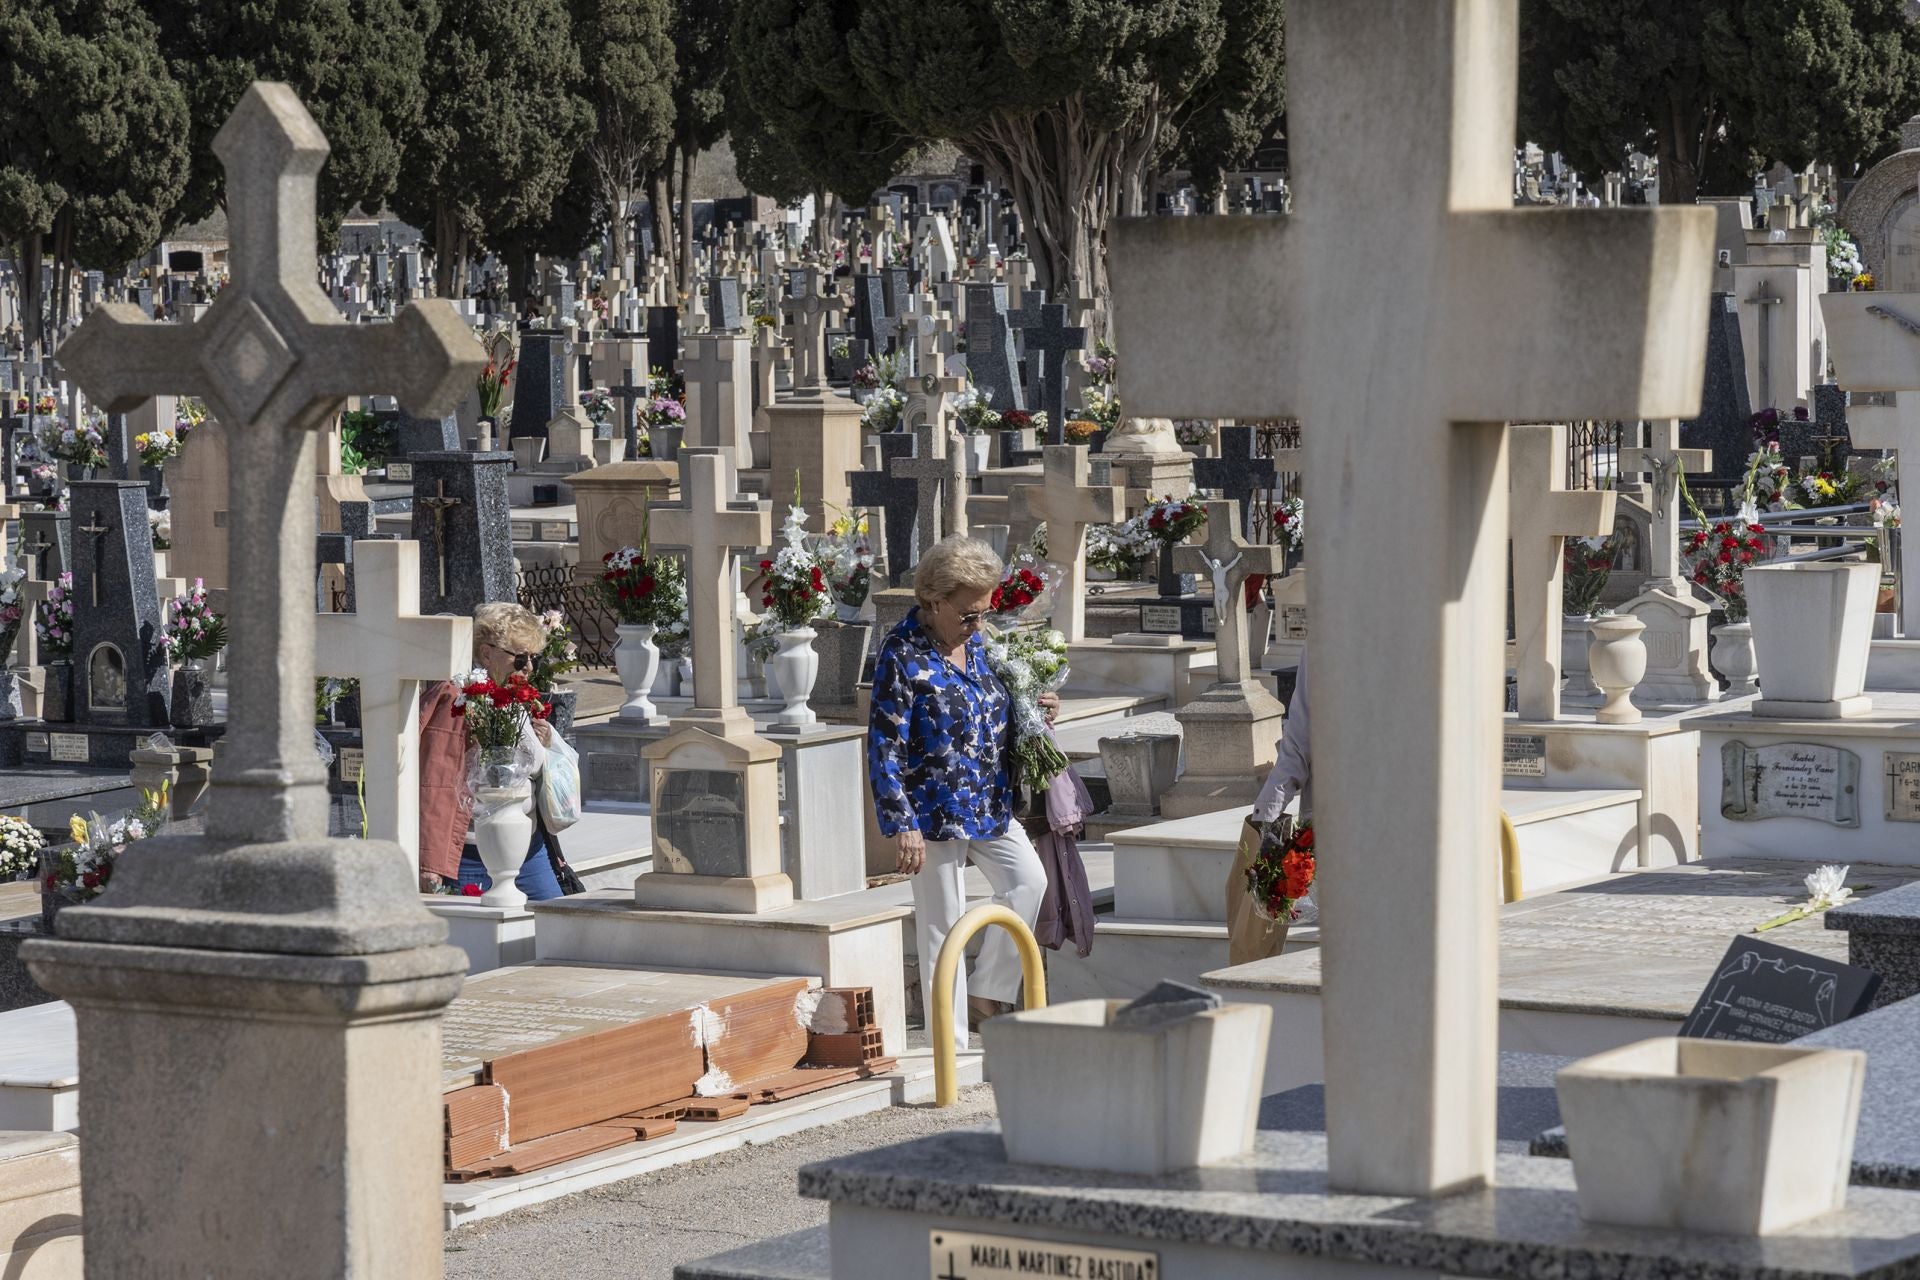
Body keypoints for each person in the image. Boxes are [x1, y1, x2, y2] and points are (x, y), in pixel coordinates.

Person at [868, 536, 1055, 1043]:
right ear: (934, 601)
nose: (978, 624)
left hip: (988, 799)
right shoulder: (901, 654)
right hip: (932, 808)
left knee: (1028, 882)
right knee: (942, 926)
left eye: (984, 613)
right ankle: (948, 1049)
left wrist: (1035, 711)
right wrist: (902, 821)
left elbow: (994, 710)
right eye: (969, 614)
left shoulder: (979, 645)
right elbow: (883, 745)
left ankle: (986, 991)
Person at [418, 601, 564, 899]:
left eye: (533, 658)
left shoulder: (512, 697)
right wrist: (430, 863)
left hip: (528, 847)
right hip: (473, 854)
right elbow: (435, 781)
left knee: (553, 919)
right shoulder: (458, 700)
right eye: (520, 659)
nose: (529, 668)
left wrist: (546, 739)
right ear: (486, 653)